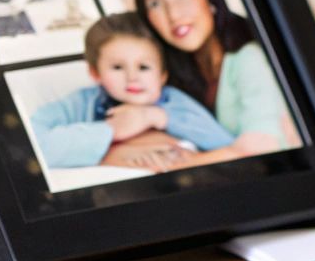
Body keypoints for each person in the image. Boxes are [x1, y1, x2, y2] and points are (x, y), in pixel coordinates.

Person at [132, 0, 300, 162]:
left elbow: (261, 146)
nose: (173, 14)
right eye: (155, 4)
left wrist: (182, 166)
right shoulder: (174, 74)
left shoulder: (250, 57)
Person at [28, 12, 234, 170]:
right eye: (117, 67)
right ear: (95, 72)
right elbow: (32, 148)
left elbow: (225, 144)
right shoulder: (81, 103)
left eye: (144, 67)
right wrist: (112, 130)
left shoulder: (173, 102)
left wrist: (155, 117)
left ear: (162, 75)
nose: (132, 77)